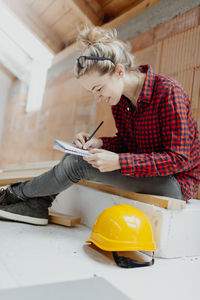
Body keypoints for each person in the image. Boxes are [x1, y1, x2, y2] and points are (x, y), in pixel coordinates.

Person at [0, 26, 200, 225]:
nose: (97, 98)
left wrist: (120, 162)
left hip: (176, 182)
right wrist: (99, 144)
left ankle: (14, 194)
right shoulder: (120, 101)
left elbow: (179, 159)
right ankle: (37, 204)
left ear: (119, 71)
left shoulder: (168, 92)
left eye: (98, 88)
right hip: (148, 173)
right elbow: (127, 143)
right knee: (78, 152)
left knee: (78, 165)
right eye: (91, 92)